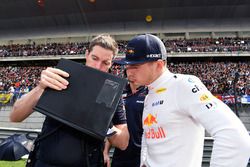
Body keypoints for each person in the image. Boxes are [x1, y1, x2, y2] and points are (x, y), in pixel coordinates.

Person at [115, 34, 250, 167]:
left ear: (159, 65)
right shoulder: (149, 93)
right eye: (127, 66)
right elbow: (148, 137)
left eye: (135, 66)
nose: (129, 72)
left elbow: (235, 135)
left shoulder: (183, 85)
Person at [9, 34, 129, 167]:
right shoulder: (63, 77)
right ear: (87, 54)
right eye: (94, 58)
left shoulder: (112, 92)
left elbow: (123, 142)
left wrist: (105, 125)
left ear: (111, 63)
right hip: (46, 162)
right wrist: (41, 87)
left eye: (105, 62)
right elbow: (15, 116)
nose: (97, 66)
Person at [103, 70, 147, 167]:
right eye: (129, 67)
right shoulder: (119, 92)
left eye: (135, 67)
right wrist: (106, 151)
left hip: (142, 155)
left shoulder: (149, 92)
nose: (132, 71)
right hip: (120, 155)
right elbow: (113, 126)